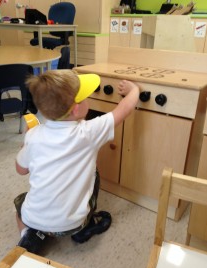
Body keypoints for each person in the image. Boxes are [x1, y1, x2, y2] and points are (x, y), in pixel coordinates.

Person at [14, 69, 139, 254]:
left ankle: (28, 236)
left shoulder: (33, 136)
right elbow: (124, 109)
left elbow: (21, 170)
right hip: (73, 223)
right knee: (93, 172)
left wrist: (26, 146)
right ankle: (86, 226)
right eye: (85, 97)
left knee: (20, 204)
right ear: (76, 109)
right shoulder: (88, 132)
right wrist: (133, 89)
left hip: (35, 218)